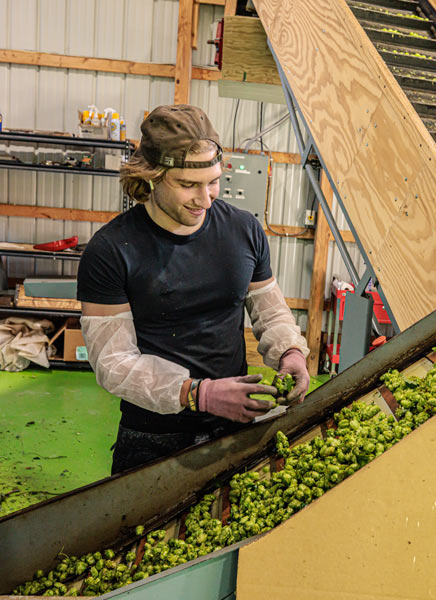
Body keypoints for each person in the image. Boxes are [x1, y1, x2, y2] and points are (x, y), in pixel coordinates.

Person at [77, 104, 310, 474]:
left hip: (236, 428)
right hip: (153, 438)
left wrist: (291, 353)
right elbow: (112, 362)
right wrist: (196, 394)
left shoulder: (244, 230)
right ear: (152, 176)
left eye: (214, 181)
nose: (206, 199)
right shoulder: (111, 250)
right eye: (188, 185)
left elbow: (270, 309)